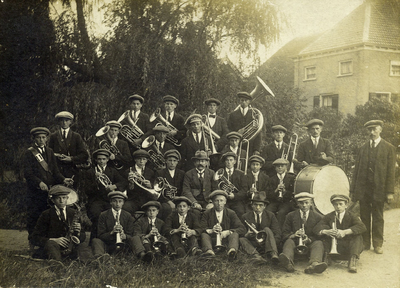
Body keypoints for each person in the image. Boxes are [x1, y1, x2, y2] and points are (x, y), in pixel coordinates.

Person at [350, 120, 396, 254]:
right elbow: (357, 171)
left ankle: (378, 243)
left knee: (378, 216)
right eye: (369, 130)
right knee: (364, 216)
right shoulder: (363, 148)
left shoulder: (389, 148)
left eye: (374, 129)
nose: (371, 132)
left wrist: (389, 192)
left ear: (380, 129)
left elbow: (390, 173)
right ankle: (365, 243)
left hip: (379, 189)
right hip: (364, 189)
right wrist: (353, 190)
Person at [23, 127, 73, 240]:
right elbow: (28, 173)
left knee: (48, 216)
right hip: (35, 191)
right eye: (38, 137)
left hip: (50, 190)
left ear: (46, 139)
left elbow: (55, 171)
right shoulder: (29, 153)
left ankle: (46, 241)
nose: (41, 140)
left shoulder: (50, 151)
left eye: (43, 137)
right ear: (34, 139)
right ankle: (33, 241)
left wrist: (64, 179)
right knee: (35, 215)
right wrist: (39, 182)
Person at [31, 185, 85, 261]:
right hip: (52, 248)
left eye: (64, 198)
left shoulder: (73, 213)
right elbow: (34, 238)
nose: (61, 201)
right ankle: (58, 264)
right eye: (58, 198)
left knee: (85, 251)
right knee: (51, 245)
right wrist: (53, 240)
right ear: (53, 200)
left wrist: (79, 233)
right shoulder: (46, 214)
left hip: (70, 248)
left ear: (67, 198)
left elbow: (83, 237)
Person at [314, 194, 366, 273]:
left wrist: (345, 232)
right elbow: (317, 228)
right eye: (336, 204)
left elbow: (362, 227)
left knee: (358, 236)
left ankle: (352, 260)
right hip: (334, 246)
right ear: (333, 206)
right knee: (323, 237)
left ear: (346, 205)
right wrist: (325, 231)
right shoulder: (329, 216)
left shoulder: (352, 216)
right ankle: (327, 257)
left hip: (348, 247)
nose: (338, 207)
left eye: (340, 204)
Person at [279, 192, 327, 274]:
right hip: (295, 242)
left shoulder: (318, 217)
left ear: (311, 203)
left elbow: (319, 236)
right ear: (297, 203)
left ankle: (314, 264)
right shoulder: (290, 215)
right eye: (301, 203)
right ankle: (288, 262)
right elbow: (284, 233)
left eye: (307, 202)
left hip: (309, 243)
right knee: (289, 241)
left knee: (318, 243)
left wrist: (309, 239)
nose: (304, 205)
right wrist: (294, 235)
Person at [85, 149, 127, 239]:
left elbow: (123, 182)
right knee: (96, 214)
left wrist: (114, 186)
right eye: (99, 159)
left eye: (104, 159)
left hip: (110, 201)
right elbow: (87, 190)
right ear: (96, 160)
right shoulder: (90, 172)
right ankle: (95, 239)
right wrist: (96, 181)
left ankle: (112, 239)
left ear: (107, 159)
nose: (101, 161)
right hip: (96, 200)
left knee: (114, 214)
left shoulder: (113, 171)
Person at [124, 149, 172, 220]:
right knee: (126, 207)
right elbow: (125, 187)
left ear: (146, 160)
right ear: (135, 160)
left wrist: (150, 185)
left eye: (144, 159)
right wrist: (131, 183)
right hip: (134, 199)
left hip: (148, 199)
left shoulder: (151, 172)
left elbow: (155, 187)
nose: (141, 161)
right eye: (139, 159)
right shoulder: (128, 171)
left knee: (163, 208)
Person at [200, 190, 246, 259]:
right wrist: (211, 230)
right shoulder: (207, 213)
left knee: (234, 234)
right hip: (212, 240)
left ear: (225, 202)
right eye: (216, 201)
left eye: (221, 201)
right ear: (212, 202)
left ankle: (232, 251)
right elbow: (201, 228)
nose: (219, 203)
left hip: (226, 240)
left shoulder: (231, 213)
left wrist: (228, 232)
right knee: (204, 235)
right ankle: (209, 252)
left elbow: (242, 229)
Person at [48, 111, 89, 187]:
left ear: (70, 122)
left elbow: (84, 155)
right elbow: (49, 154)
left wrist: (71, 159)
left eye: (66, 120)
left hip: (72, 172)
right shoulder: (53, 136)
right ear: (59, 122)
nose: (64, 123)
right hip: (58, 173)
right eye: (62, 120)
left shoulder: (76, 136)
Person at [91, 191, 136, 258]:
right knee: (95, 240)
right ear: (111, 202)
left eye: (120, 201)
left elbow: (131, 235)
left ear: (123, 203)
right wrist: (112, 232)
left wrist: (125, 236)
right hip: (108, 244)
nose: (117, 204)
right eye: (115, 201)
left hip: (123, 245)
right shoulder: (103, 215)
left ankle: (123, 254)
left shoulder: (128, 215)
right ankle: (100, 257)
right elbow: (100, 235)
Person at [240, 192, 280, 265]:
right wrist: (247, 235)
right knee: (242, 239)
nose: (258, 207)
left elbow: (277, 233)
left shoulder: (270, 215)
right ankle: (256, 256)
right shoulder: (245, 216)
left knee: (267, 229)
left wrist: (272, 243)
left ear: (264, 206)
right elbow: (241, 234)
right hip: (253, 243)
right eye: (255, 205)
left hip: (267, 244)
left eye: (260, 205)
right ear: (252, 205)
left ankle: (273, 254)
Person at [227, 92, 262, 156]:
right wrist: (237, 133)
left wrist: (256, 149)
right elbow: (228, 130)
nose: (244, 102)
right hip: (236, 146)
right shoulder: (233, 115)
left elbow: (258, 133)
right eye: (242, 100)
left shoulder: (254, 114)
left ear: (249, 102)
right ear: (239, 101)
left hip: (250, 146)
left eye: (246, 100)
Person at [215, 152, 248, 217]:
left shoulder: (241, 174)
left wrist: (235, 196)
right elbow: (216, 187)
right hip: (222, 200)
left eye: (231, 160)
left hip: (236, 200)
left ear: (235, 162)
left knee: (240, 211)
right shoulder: (220, 173)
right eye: (227, 160)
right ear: (224, 162)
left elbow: (244, 190)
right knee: (222, 212)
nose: (229, 162)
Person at [266, 158, 296, 228]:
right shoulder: (271, 179)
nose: (280, 168)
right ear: (275, 168)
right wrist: (276, 190)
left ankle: (279, 231)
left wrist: (285, 191)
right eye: (278, 166)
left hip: (286, 202)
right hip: (274, 201)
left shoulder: (291, 178)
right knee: (268, 211)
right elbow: (268, 194)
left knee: (281, 213)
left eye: (282, 166)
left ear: (286, 167)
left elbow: (292, 193)